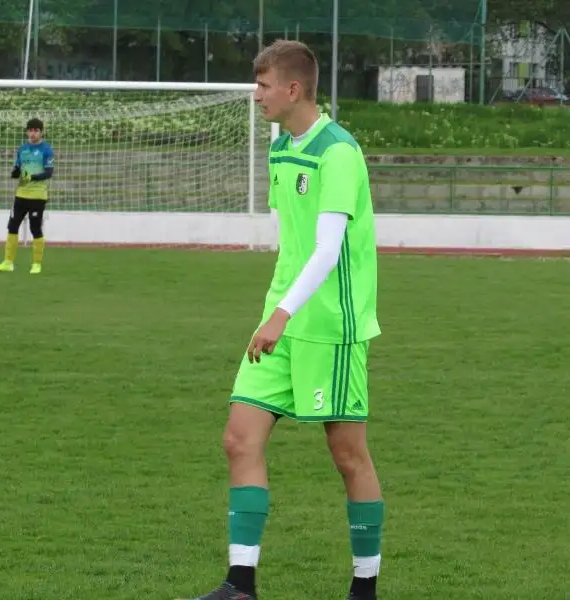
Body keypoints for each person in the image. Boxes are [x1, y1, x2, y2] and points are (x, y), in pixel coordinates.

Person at [181, 41, 384, 600]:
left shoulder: (338, 153)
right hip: (282, 322)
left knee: (348, 456)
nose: (256, 95)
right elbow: (293, 246)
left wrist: (280, 314)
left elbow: (326, 249)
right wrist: (275, 314)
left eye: (264, 85)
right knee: (238, 440)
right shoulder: (280, 148)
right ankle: (239, 584)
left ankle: (364, 588)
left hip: (331, 327)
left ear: (293, 89)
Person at [0, 118, 55, 274]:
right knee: (12, 226)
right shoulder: (22, 149)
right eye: (31, 130)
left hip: (38, 195)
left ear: (41, 132)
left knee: (35, 228)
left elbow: (49, 172)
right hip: (21, 194)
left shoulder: (46, 150)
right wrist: (15, 173)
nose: (33, 133)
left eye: (36, 130)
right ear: (27, 131)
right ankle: (8, 262)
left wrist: (31, 177)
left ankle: (36, 264)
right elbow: (18, 169)